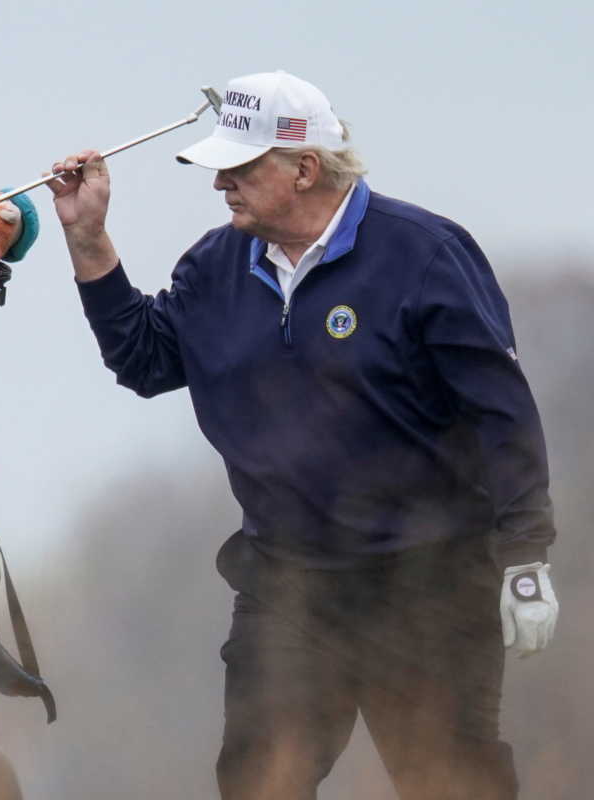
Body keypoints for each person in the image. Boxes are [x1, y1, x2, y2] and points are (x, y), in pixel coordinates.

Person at [47, 70, 559, 799]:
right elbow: (144, 360)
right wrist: (88, 238)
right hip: (287, 588)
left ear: (305, 169)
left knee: (451, 785)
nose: (220, 184)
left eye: (240, 168)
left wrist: (525, 554)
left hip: (429, 586)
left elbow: (501, 412)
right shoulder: (215, 266)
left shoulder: (424, 254)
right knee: (261, 781)